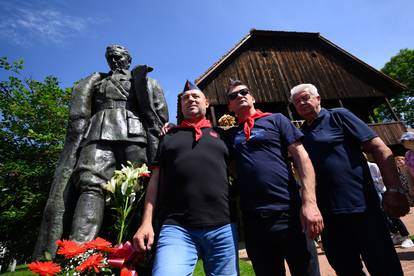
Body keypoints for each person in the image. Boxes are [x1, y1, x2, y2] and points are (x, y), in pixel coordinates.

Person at [34, 45, 168, 256]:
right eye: (110, 58)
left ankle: (138, 252)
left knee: (138, 187)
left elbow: (160, 117)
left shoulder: (147, 82)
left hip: (134, 135)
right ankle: (77, 253)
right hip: (97, 133)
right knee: (90, 184)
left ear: (128, 59)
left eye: (118, 57)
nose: (114, 61)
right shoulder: (96, 83)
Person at [290, 83, 409, 275]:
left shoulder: (338, 116)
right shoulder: (300, 135)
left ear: (318, 98)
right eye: (297, 102)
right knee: (346, 269)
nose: (301, 103)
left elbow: (381, 148)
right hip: (329, 216)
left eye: (305, 97)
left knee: (384, 266)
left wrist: (393, 190)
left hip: (362, 208)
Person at [133, 81, 238, 276]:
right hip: (177, 228)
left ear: (206, 103)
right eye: (185, 98)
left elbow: (238, 173)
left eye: (195, 96)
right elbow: (154, 181)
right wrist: (146, 222)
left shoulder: (223, 136)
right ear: (181, 106)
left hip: (222, 226)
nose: (190, 99)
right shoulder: (169, 137)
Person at [226, 79, 323, 276]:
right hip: (254, 219)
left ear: (252, 97)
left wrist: (310, 202)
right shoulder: (231, 135)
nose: (240, 96)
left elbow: (301, 157)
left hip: (288, 212)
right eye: (233, 96)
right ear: (230, 106)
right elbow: (231, 166)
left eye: (244, 91)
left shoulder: (276, 119)